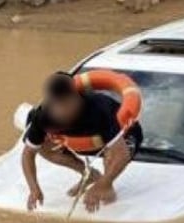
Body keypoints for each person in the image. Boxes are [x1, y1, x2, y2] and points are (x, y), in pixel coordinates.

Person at [22, 71, 144, 214]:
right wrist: (33, 188)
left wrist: (103, 184)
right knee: (42, 147)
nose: (59, 111)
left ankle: (106, 194)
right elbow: (27, 155)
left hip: (122, 135)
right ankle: (89, 174)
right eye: (54, 104)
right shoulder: (43, 115)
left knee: (108, 180)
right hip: (81, 142)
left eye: (64, 104)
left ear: (75, 97)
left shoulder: (99, 110)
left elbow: (121, 154)